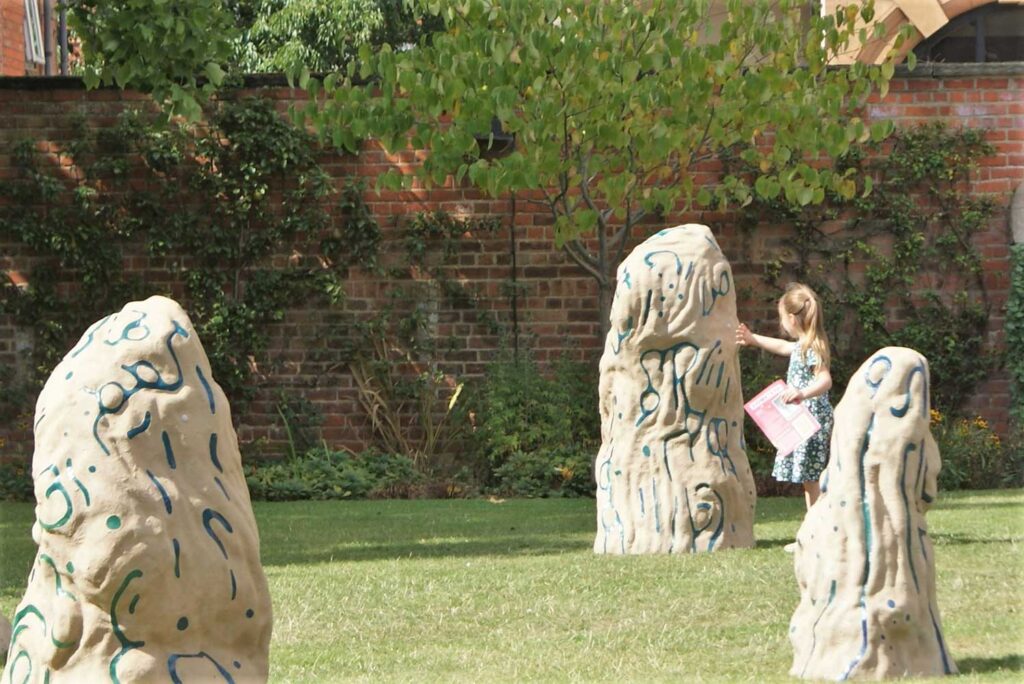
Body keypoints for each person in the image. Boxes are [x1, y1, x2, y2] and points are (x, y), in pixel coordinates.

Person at [736, 282, 834, 530]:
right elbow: (782, 347)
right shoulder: (804, 345)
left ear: (792, 318)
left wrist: (802, 392)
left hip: (809, 423)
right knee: (809, 480)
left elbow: (825, 380)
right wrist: (752, 339)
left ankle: (815, 530)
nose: (782, 323)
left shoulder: (812, 347)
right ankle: (814, 527)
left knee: (811, 480)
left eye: (782, 318)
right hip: (803, 421)